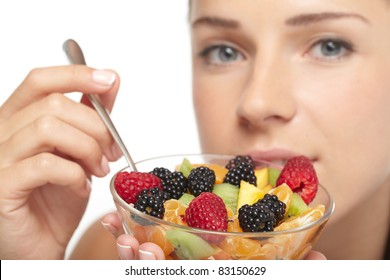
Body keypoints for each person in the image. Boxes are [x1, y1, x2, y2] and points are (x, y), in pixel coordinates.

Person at [1, 0, 389, 260]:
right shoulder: (108, 255)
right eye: (224, 51)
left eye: (330, 46)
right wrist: (23, 265)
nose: (256, 102)